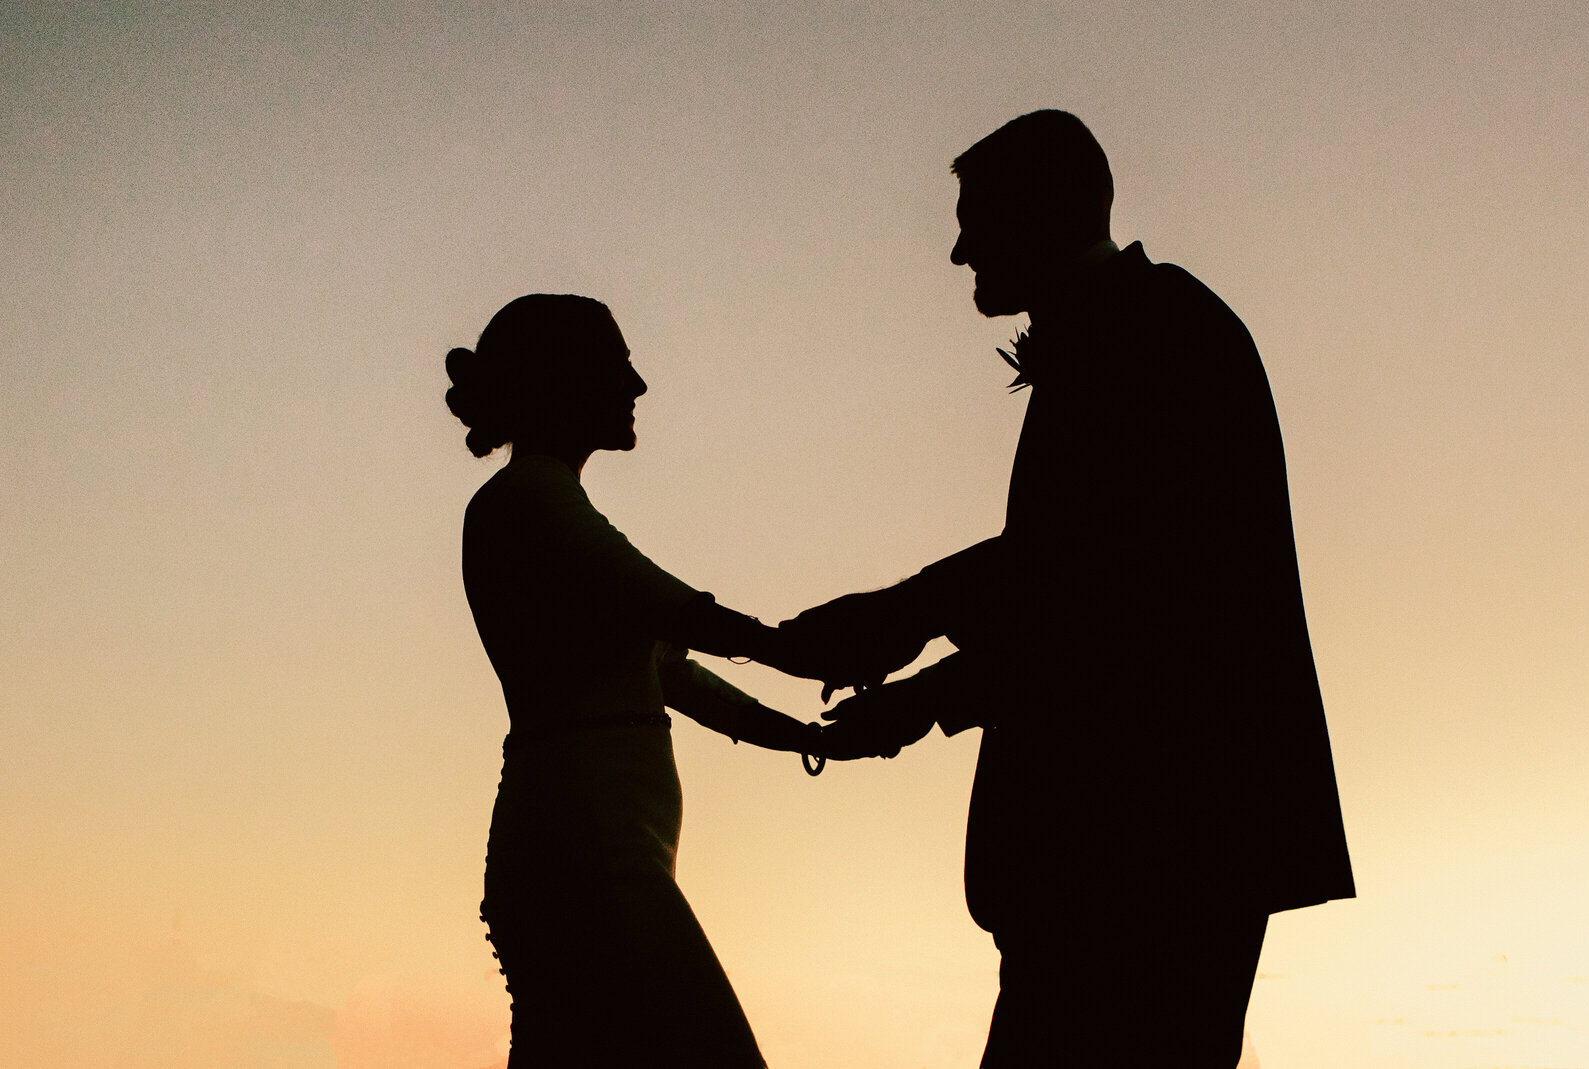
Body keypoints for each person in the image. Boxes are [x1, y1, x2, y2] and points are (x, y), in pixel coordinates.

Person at [777, 111, 1357, 1067]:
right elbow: (1076, 574)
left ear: (1040, 213)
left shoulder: (1156, 331)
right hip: (1129, 855)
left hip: (1150, 848)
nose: (958, 247)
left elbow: (1116, 598)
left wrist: (913, 651)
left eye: (976, 220)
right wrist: (908, 638)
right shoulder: (1142, 328)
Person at [446, 293, 824, 1067]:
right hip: (591, 845)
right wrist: (802, 651)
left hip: (588, 841)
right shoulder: (532, 499)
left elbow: (666, 666)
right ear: (566, 378)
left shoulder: (540, 503)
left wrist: (804, 735)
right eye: (619, 363)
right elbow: (672, 609)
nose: (638, 384)